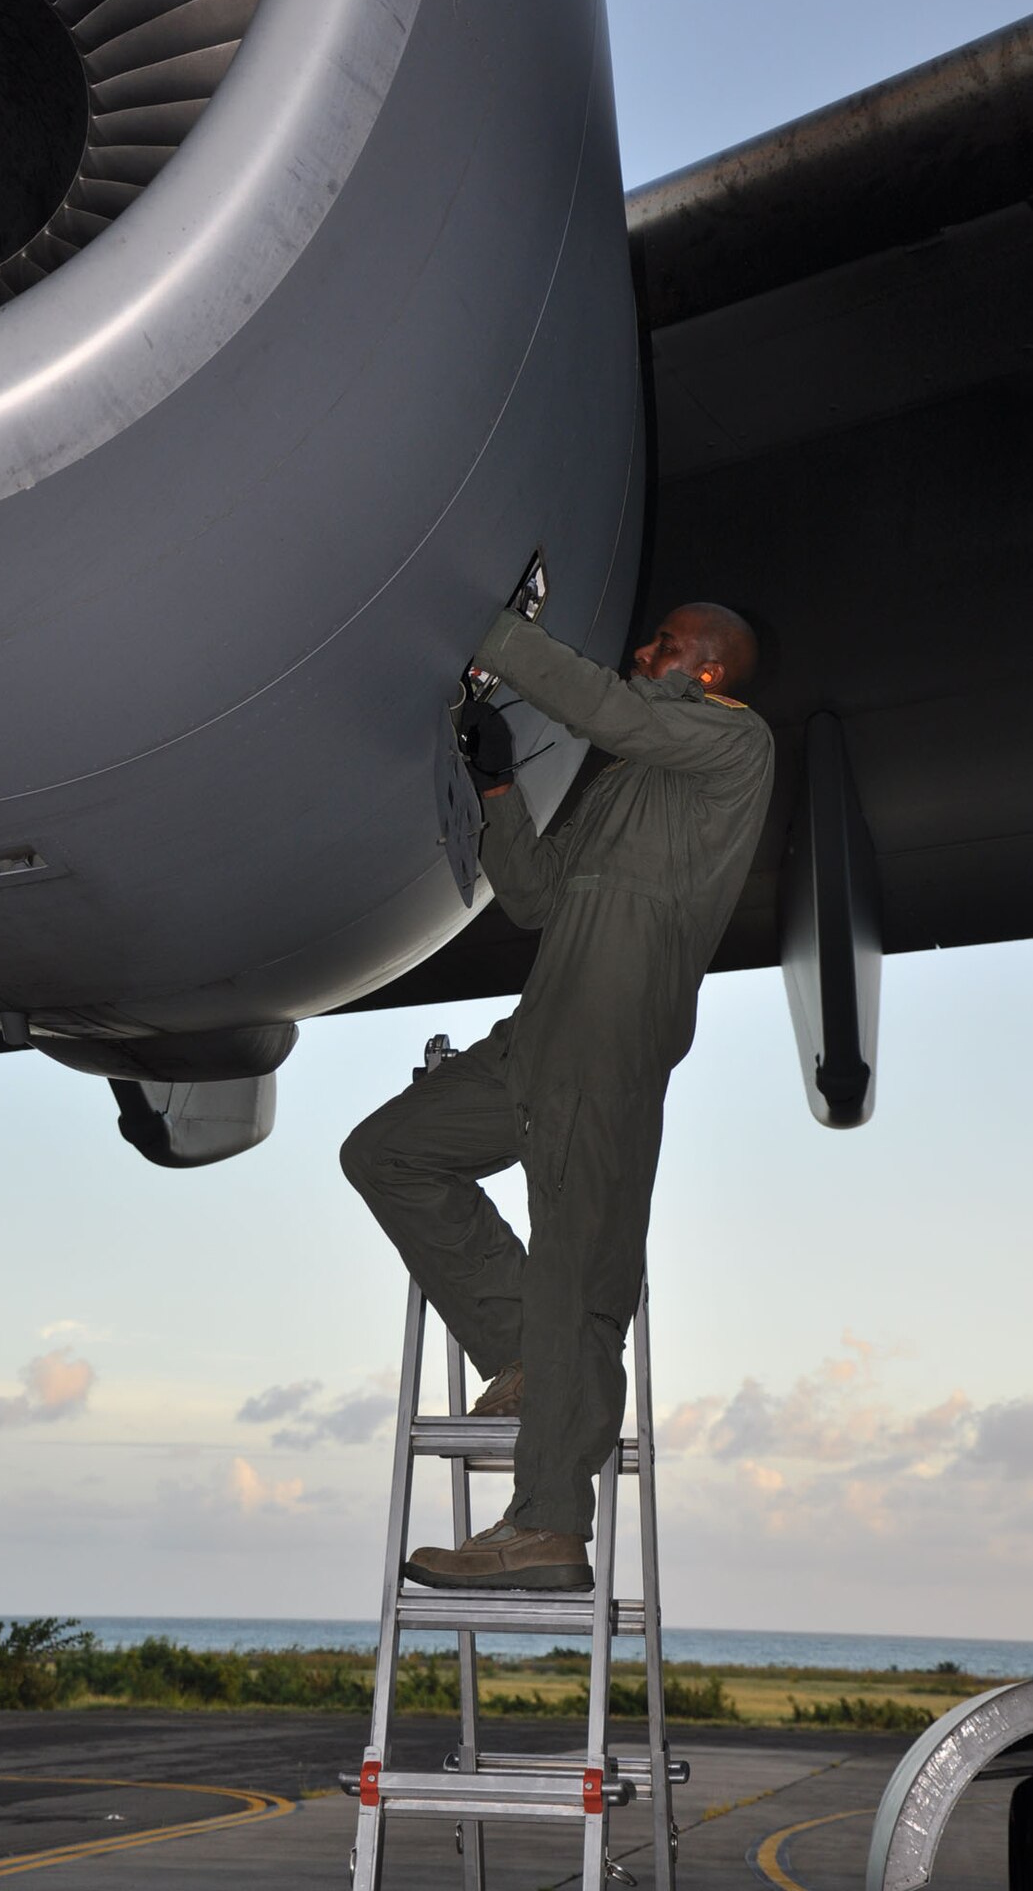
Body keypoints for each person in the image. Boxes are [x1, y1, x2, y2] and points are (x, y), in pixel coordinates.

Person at [341, 603, 774, 1590]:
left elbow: (613, 710)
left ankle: (546, 1527)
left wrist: (488, 628)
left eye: (663, 644)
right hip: (533, 1039)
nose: (642, 651)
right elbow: (534, 894)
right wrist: (495, 787)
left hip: (608, 1046)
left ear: (708, 671)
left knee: (581, 1277)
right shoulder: (629, 782)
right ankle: (521, 1348)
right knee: (387, 1152)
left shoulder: (735, 746)